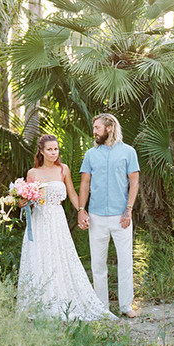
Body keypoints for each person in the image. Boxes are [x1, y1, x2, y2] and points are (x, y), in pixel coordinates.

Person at [16, 134, 114, 321]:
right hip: (38, 222)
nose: (54, 153)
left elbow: (72, 194)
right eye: (50, 149)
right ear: (42, 151)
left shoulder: (63, 170)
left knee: (60, 257)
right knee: (39, 258)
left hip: (57, 220)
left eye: (56, 149)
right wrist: (22, 200)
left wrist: (81, 210)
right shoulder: (32, 173)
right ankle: (40, 304)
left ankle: (64, 300)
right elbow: (26, 202)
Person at [78, 114, 140, 318]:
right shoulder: (90, 154)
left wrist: (128, 209)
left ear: (110, 127)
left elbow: (134, 182)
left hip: (121, 217)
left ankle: (125, 306)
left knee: (125, 262)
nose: (94, 131)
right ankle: (102, 308)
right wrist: (81, 210)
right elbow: (85, 184)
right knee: (97, 264)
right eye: (94, 127)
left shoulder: (128, 152)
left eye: (97, 127)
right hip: (96, 217)